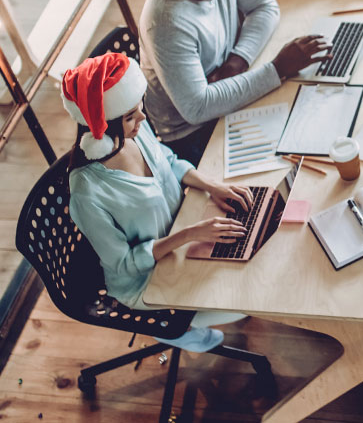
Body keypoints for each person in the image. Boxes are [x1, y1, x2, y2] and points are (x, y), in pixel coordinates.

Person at [63, 53, 250, 352]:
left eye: (138, 109)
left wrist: (213, 186)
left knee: (249, 258)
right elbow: (124, 265)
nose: (143, 119)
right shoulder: (87, 191)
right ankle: (172, 331)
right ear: (102, 125)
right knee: (242, 302)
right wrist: (190, 234)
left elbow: (170, 163)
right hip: (146, 280)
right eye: (130, 116)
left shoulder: (134, 133)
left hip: (182, 233)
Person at [139, 0, 331, 164]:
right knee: (293, 155)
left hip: (227, 87)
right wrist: (278, 68)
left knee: (312, 121)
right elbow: (197, 107)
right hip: (193, 134)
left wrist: (236, 63)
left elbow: (266, 7)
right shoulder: (166, 22)